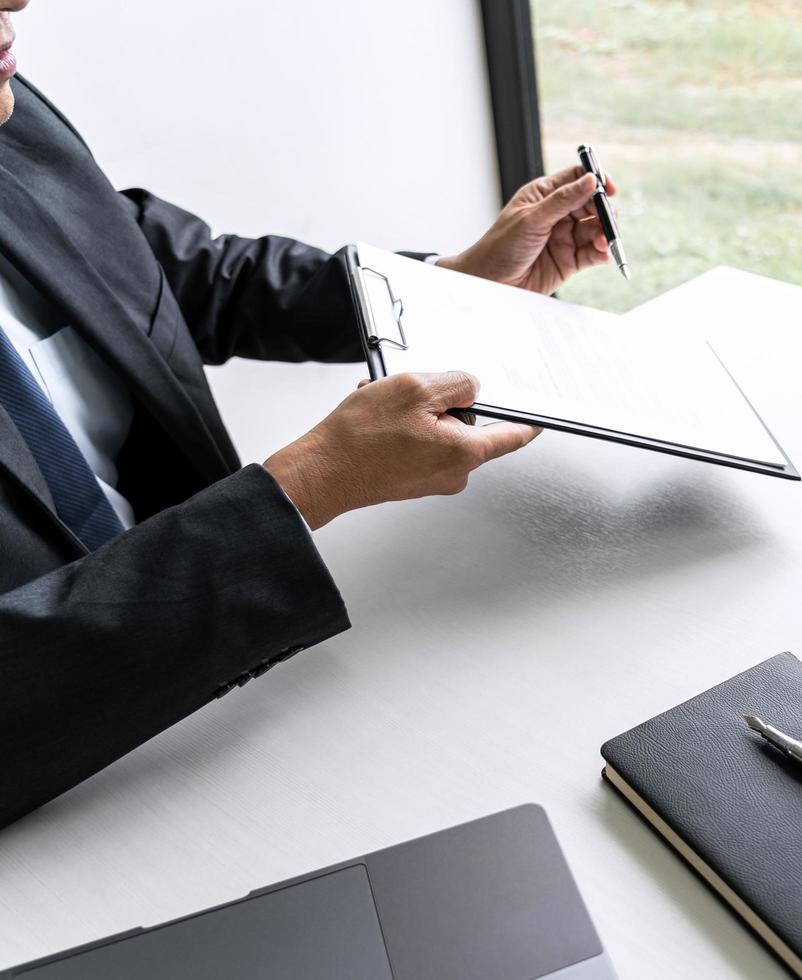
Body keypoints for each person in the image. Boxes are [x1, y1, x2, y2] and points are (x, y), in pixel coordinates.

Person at [0, 0, 617, 828]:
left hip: (238, 687)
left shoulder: (13, 111)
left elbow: (171, 274)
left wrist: (442, 292)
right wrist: (305, 489)